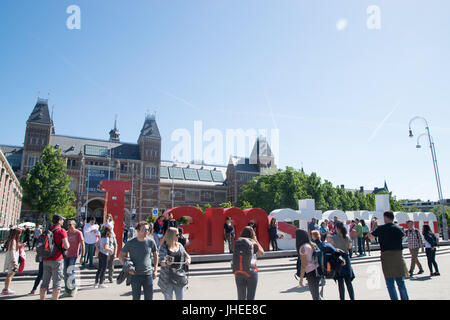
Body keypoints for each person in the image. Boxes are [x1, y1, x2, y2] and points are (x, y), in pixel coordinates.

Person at [368, 211, 409, 300]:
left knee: (390, 283)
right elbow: (403, 237)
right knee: (401, 283)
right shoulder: (399, 228)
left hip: (386, 257)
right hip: (398, 256)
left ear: (386, 217)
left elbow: (370, 236)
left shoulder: (381, 228)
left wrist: (373, 227)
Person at [119, 221, 159, 300]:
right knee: (136, 297)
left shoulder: (151, 242)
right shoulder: (131, 243)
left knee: (149, 297)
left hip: (148, 274)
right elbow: (121, 256)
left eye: (148, 229)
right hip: (135, 275)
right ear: (138, 230)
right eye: (144, 229)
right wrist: (127, 267)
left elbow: (156, 255)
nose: (146, 231)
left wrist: (155, 270)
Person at [40, 214, 70, 301]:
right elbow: (66, 245)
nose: (63, 221)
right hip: (57, 259)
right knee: (56, 284)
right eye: (62, 220)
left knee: (44, 283)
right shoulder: (61, 231)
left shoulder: (48, 230)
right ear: (59, 221)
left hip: (46, 259)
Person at [158, 227, 191, 300]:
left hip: (179, 276)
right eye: (177, 235)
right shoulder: (164, 247)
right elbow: (161, 261)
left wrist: (188, 259)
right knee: (168, 298)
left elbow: (187, 255)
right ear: (171, 235)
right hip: (168, 278)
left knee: (180, 298)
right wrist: (166, 263)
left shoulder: (179, 245)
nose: (179, 236)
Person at [233, 226, 264, 300]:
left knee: (241, 297)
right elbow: (262, 253)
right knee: (251, 297)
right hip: (251, 271)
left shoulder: (239, 243)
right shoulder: (253, 244)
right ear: (252, 234)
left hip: (239, 271)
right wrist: (256, 240)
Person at [329, 221, 355, 300]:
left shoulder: (333, 238)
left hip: (338, 259)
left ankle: (342, 298)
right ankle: (352, 298)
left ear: (337, 228)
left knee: (340, 282)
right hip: (346, 259)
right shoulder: (347, 237)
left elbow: (331, 247)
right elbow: (350, 247)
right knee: (348, 282)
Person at [62, 220, 85, 297]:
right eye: (67, 224)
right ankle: (67, 290)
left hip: (73, 255)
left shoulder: (78, 233)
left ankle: (73, 288)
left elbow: (82, 244)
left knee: (70, 272)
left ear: (74, 225)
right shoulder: (65, 232)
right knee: (65, 273)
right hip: (65, 255)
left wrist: (82, 256)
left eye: (70, 224)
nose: (68, 226)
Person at [296, 229, 321, 300]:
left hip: (311, 272)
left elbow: (304, 264)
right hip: (317, 269)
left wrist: (301, 279)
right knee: (316, 294)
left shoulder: (303, 248)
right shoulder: (312, 244)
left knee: (315, 295)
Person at [2, 228, 22, 295]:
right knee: (10, 275)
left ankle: (6, 288)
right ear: (17, 234)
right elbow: (13, 251)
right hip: (12, 261)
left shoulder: (12, 240)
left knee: (10, 274)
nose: (20, 235)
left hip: (11, 260)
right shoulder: (13, 241)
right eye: (19, 233)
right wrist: (14, 261)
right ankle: (6, 289)